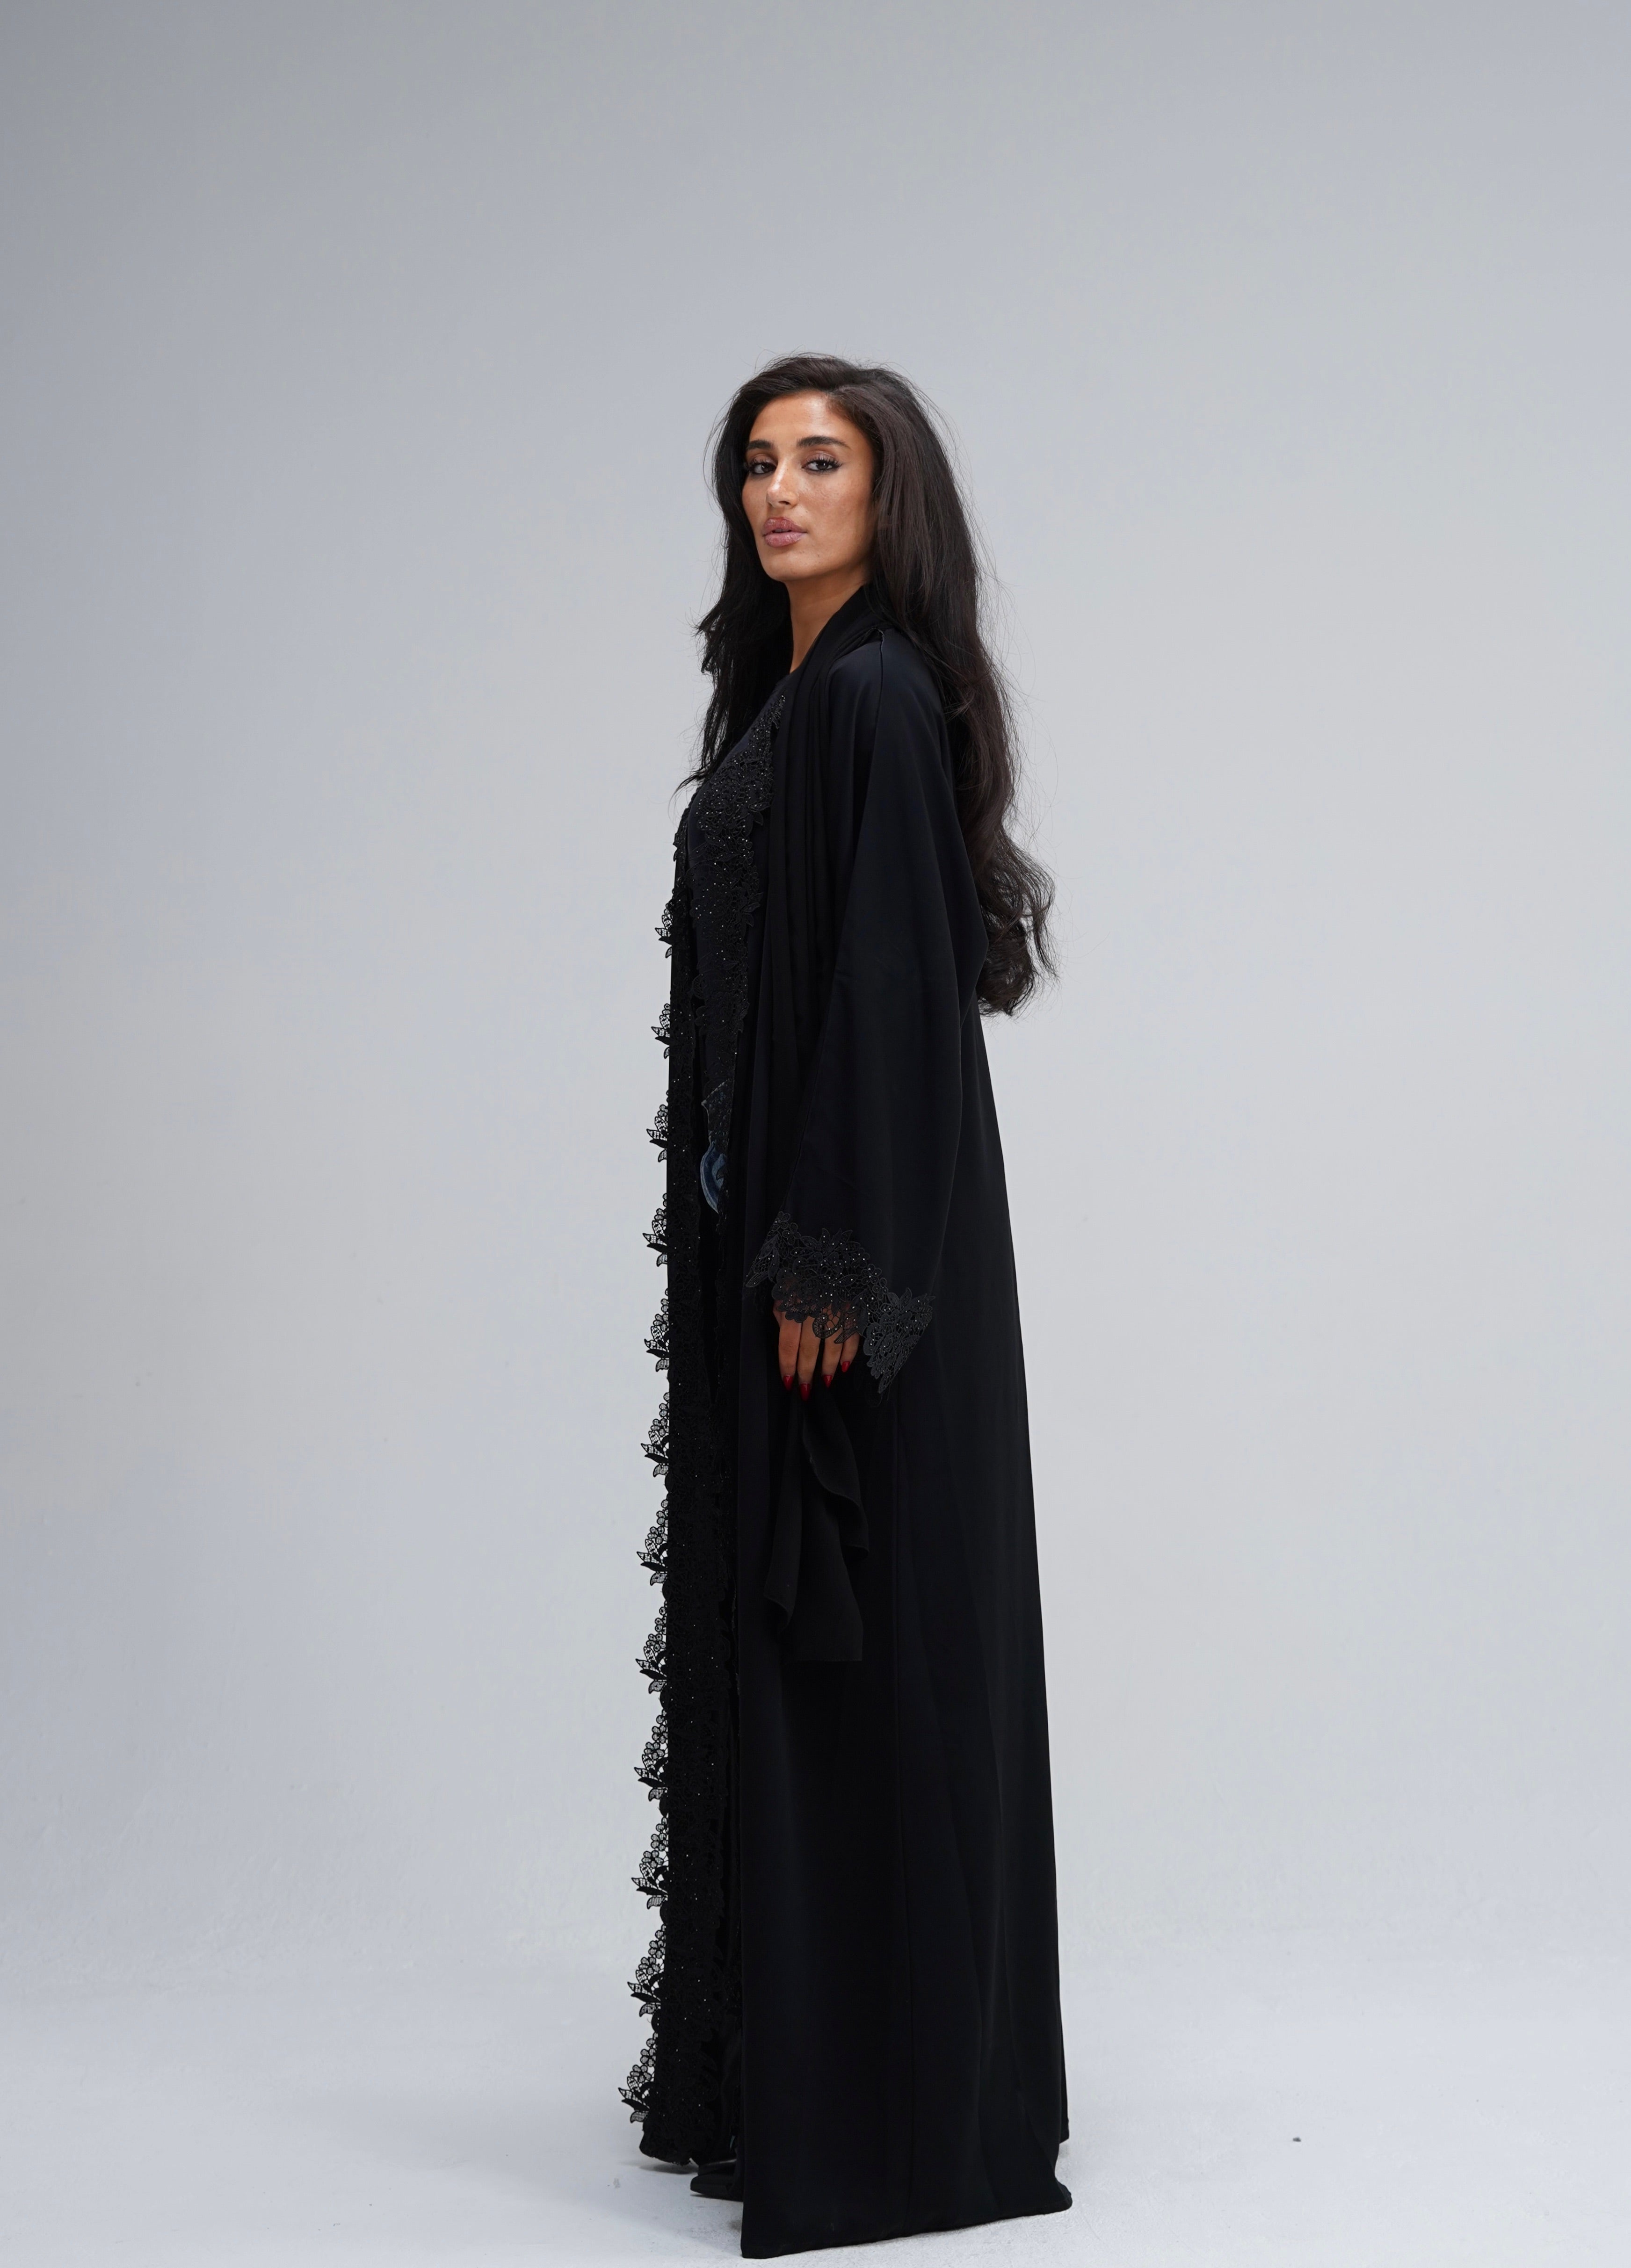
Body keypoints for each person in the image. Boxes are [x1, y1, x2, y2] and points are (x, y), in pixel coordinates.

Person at [624, 353, 1070, 2258]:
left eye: (822, 459)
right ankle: (791, 2079)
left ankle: (895, 2124)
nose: (780, 491)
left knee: (866, 1654)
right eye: (756, 462)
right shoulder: (791, 696)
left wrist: (828, 1256)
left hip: (849, 1278)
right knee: (799, 1665)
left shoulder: (875, 693)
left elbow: (895, 989)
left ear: (893, 497)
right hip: (782, 1259)